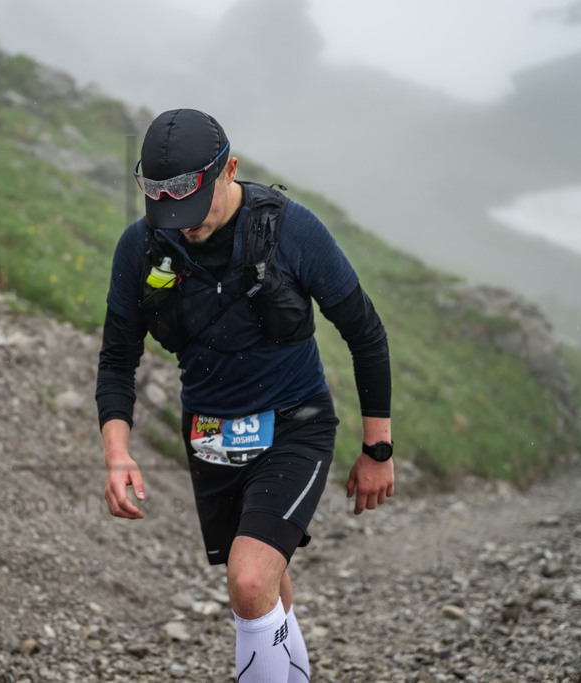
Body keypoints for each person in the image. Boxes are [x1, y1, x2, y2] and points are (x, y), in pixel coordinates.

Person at [95, 108, 394, 682]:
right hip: (209, 436)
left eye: (193, 208)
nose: (183, 225)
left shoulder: (291, 230)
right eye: (168, 211)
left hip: (294, 424)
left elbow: (365, 333)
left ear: (229, 169)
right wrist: (117, 451)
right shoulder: (142, 247)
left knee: (250, 579)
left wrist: (376, 448)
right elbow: (117, 357)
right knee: (268, 587)